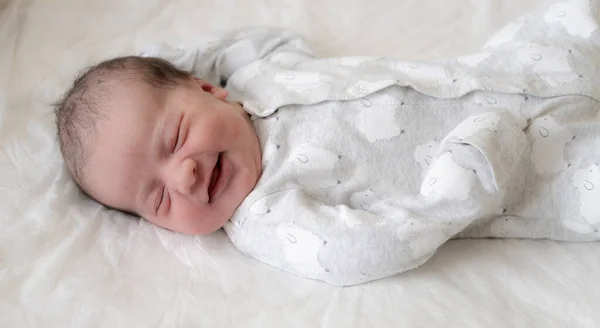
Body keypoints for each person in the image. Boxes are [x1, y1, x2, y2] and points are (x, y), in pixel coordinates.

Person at [55, 0, 600, 286]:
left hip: (515, 62)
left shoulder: (256, 74)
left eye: (174, 138)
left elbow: (268, 37)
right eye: (158, 200)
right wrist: (453, 192)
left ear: (205, 87)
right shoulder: (268, 216)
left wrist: (155, 69)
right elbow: (359, 252)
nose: (184, 177)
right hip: (535, 168)